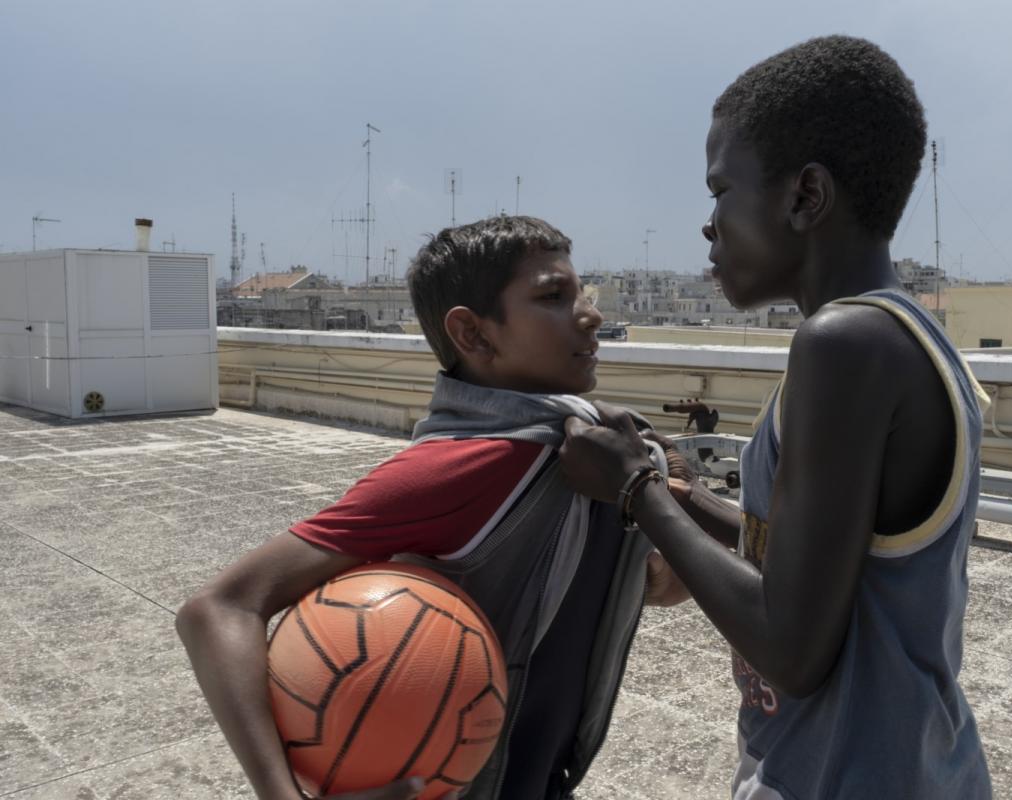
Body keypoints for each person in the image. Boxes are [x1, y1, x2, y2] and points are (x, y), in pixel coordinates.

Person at [558, 36, 993, 798]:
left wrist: (636, 493)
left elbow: (792, 648)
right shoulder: (904, 334)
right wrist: (690, 498)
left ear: (804, 197)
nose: (709, 225)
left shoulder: (842, 345)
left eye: (721, 191)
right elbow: (812, 559)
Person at [177, 215, 669, 800]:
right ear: (474, 334)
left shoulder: (593, 449)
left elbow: (648, 585)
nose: (590, 315)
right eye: (553, 297)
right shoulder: (463, 466)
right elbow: (219, 608)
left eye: (581, 294)